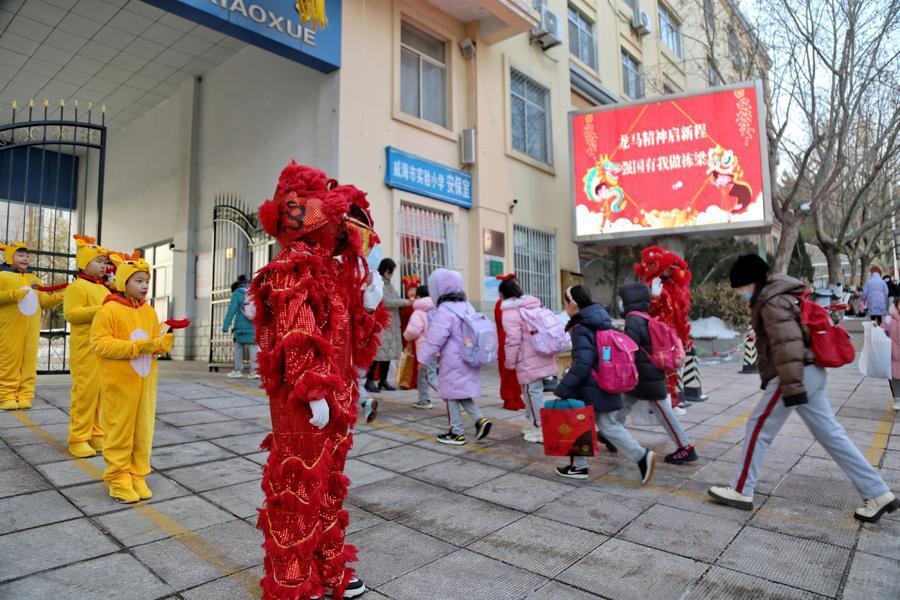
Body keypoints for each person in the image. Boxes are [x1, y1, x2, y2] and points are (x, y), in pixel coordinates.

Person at [251, 161, 385, 599]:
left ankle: (329, 566)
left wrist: (369, 303)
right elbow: (296, 332)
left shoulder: (330, 270)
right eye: (338, 231)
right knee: (298, 481)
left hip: (339, 391)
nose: (344, 240)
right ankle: (291, 578)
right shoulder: (292, 265)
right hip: (303, 397)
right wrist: (312, 389)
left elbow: (347, 332)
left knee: (329, 482)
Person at [708, 255, 898, 523]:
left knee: (757, 427)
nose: (742, 294)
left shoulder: (771, 301)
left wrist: (792, 387)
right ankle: (878, 493)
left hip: (792, 373)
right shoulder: (781, 293)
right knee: (833, 436)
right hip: (810, 371)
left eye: (742, 288)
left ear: (752, 283)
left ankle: (741, 489)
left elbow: (787, 344)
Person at [91, 255, 173, 503]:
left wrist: (160, 344)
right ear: (124, 281)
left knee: (143, 430)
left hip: (146, 383)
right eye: (138, 280)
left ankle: (138, 473)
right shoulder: (110, 309)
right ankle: (118, 478)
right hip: (119, 384)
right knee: (119, 430)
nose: (145, 285)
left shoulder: (149, 312)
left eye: (147, 281)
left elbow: (151, 345)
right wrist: (138, 347)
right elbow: (99, 345)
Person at [554, 285, 656, 484]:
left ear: (573, 305)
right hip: (609, 381)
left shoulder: (581, 327)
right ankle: (640, 456)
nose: (565, 307)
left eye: (565, 303)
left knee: (577, 423)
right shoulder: (601, 320)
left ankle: (581, 467)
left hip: (590, 386)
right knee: (607, 424)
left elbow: (583, 361)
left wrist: (565, 386)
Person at [618, 283, 697, 464]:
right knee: (623, 405)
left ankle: (686, 448)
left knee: (665, 414)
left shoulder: (633, 320)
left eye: (622, 300)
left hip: (647, 378)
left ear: (630, 301)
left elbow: (630, 347)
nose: (620, 303)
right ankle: (611, 434)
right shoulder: (644, 317)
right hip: (647, 375)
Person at [418, 268, 493, 445]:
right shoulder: (467, 305)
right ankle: (480, 420)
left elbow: (435, 338)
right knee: (461, 392)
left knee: (450, 395)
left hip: (453, 359)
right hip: (469, 356)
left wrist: (422, 359)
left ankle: (456, 432)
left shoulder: (445, 310)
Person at [0, 242, 64, 411]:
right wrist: (11, 295)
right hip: (9, 328)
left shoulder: (34, 279)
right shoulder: (2, 276)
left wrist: (57, 297)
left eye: (27, 256)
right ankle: (6, 395)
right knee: (9, 361)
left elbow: (44, 302)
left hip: (32, 329)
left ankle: (25, 394)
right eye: (20, 255)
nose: (25, 259)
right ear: (9, 256)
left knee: (29, 361)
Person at [63, 235, 111, 457]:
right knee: (85, 395)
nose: (103, 266)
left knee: (101, 394)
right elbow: (71, 314)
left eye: (104, 262)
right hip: (85, 350)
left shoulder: (105, 289)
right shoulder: (77, 287)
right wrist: (99, 311)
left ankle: (96, 433)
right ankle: (78, 437)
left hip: (102, 349)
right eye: (98, 261)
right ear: (84, 263)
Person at [499, 277, 558, 443]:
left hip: (528, 358)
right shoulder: (532, 305)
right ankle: (534, 423)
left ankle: (541, 428)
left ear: (502, 294)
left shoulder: (511, 312)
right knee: (533, 392)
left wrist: (509, 362)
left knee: (532, 393)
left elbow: (513, 340)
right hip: (543, 353)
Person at [366, 258, 409, 392]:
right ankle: (369, 380)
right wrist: (405, 302)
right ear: (385, 270)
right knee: (378, 353)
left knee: (388, 353)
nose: (391, 274)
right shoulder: (379, 283)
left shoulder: (389, 284)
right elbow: (386, 301)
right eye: (390, 271)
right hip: (382, 324)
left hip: (392, 325)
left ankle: (383, 380)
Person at [495, 273, 525, 411]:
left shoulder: (517, 304)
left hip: (518, 340)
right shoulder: (501, 305)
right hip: (506, 341)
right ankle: (508, 397)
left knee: (517, 371)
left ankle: (517, 395)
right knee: (507, 370)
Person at [403, 284, 436, 409]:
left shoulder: (419, 312)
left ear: (418, 296)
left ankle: (425, 400)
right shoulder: (435, 309)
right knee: (429, 373)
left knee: (424, 375)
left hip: (424, 349)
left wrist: (406, 336)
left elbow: (413, 331)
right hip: (435, 347)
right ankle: (425, 399)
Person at [222, 274, 258, 379]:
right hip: (253, 326)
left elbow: (231, 311)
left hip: (240, 327)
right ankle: (254, 371)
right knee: (254, 348)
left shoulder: (237, 294)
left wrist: (226, 326)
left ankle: (238, 370)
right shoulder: (254, 293)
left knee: (238, 347)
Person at [884, 297, 900, 411]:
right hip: (893, 353)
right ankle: (898, 399)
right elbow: (883, 333)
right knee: (894, 378)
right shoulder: (889, 319)